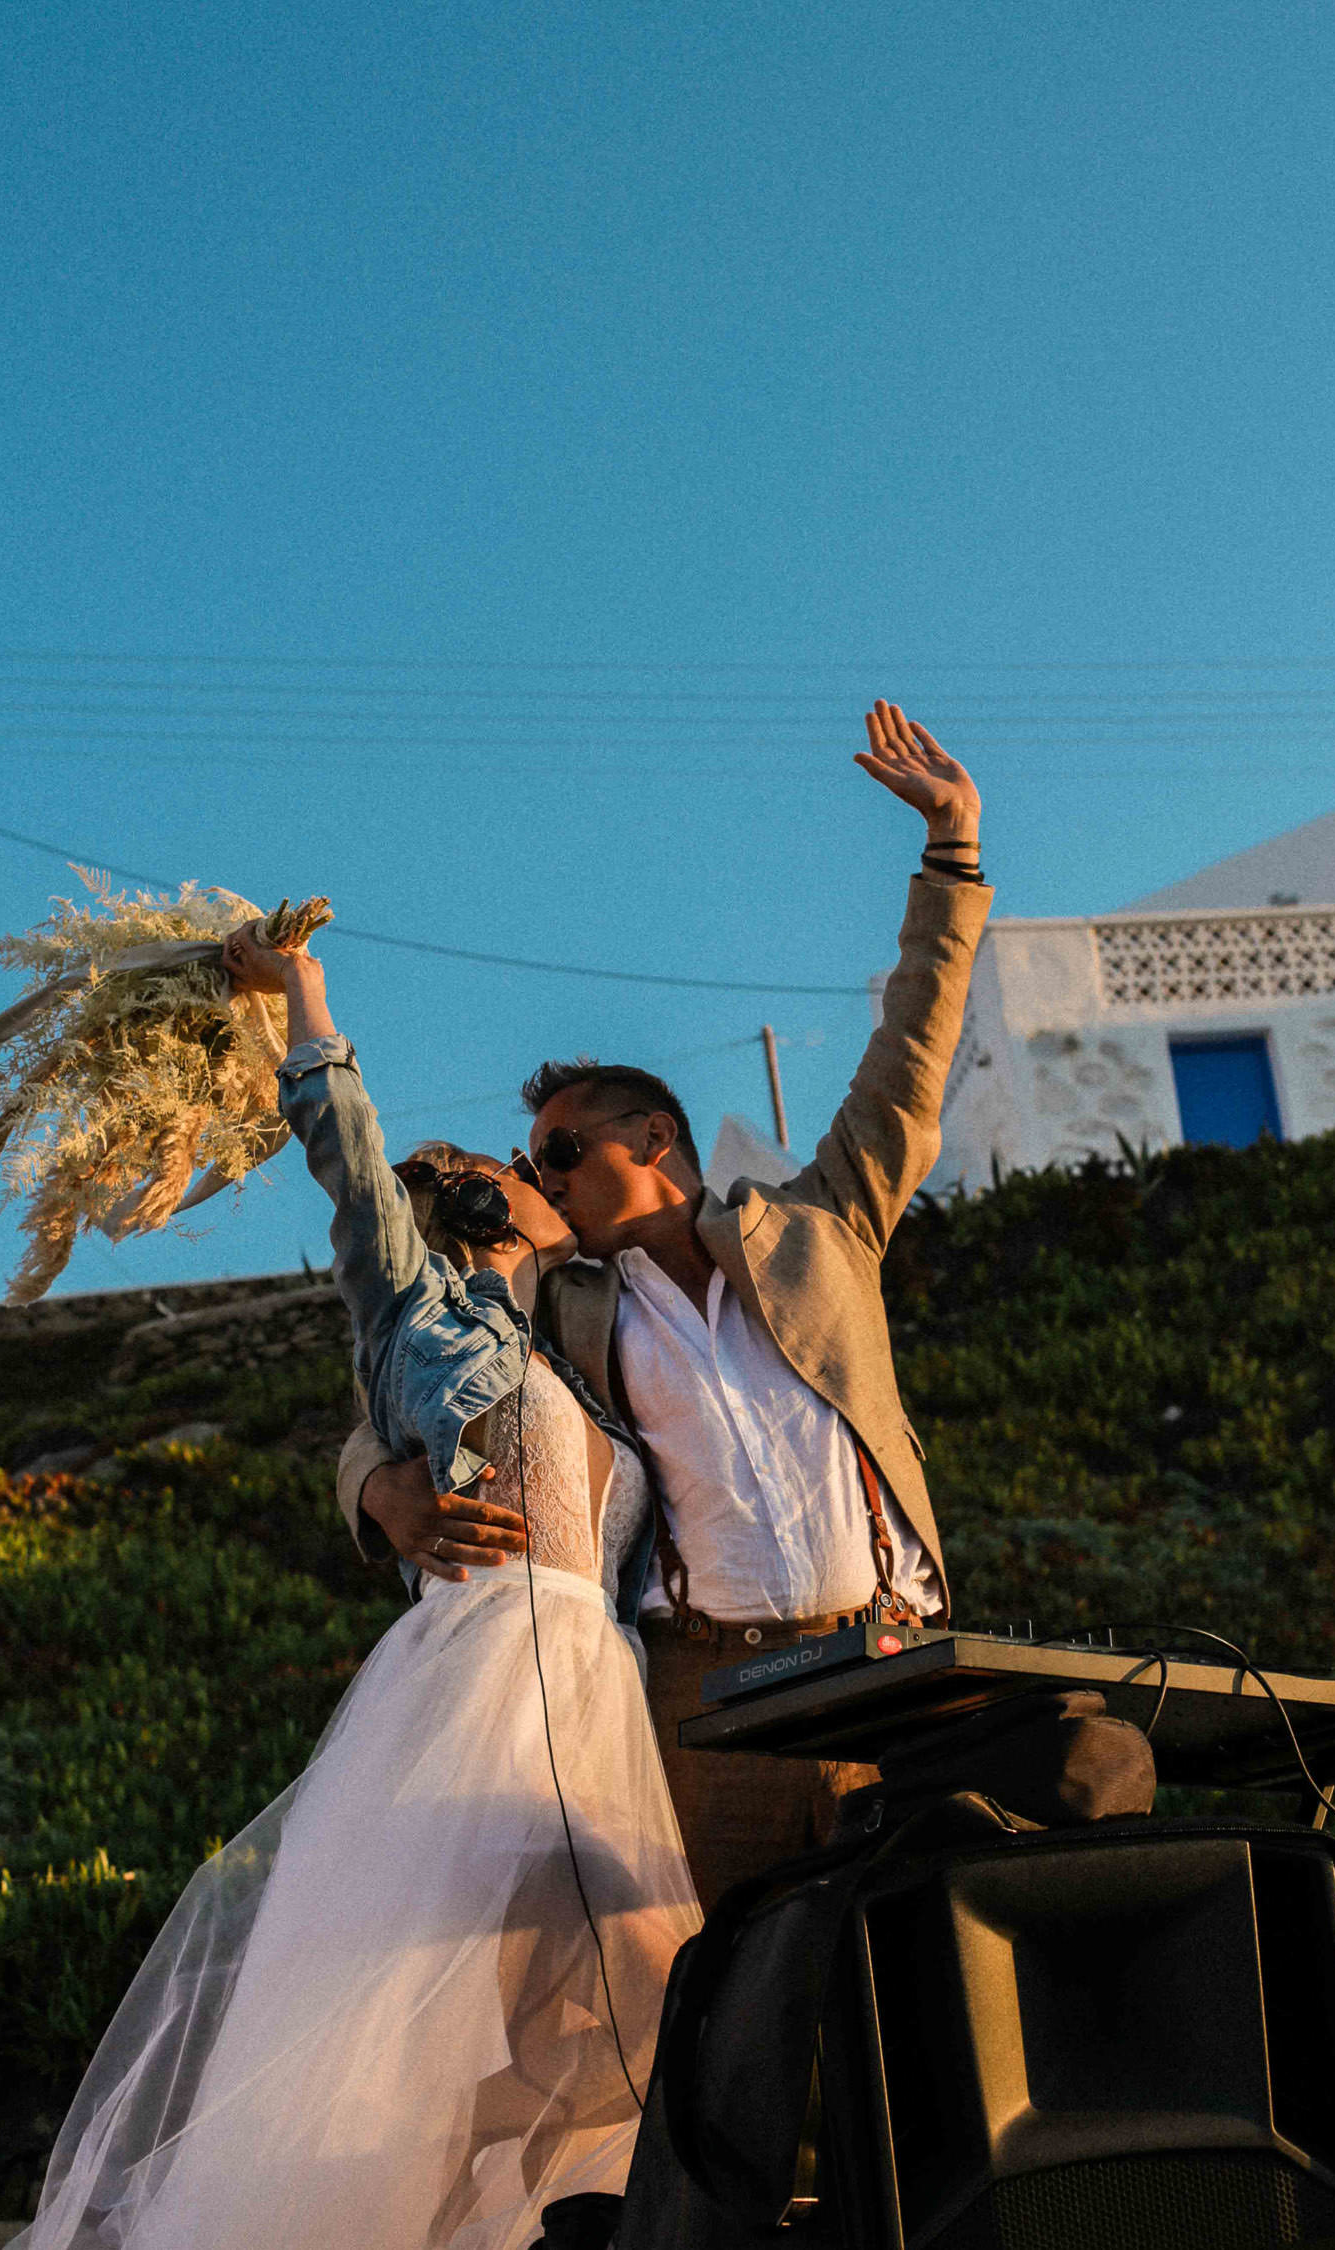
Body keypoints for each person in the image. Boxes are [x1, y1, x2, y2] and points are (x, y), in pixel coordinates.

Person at [8, 936, 699, 2250]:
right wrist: (302, 1003)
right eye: (523, 1171)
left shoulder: (584, 1340)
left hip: (601, 1694)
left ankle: (415, 2190)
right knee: (653, 1987)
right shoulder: (423, 1317)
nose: (547, 1180)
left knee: (575, 2033)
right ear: (485, 1215)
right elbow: (350, 1165)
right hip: (509, 1681)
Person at [343, 701, 993, 1908]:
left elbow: (911, 1051)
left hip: (891, 1665)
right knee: (728, 2010)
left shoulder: (819, 1229)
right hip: (708, 1701)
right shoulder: (558, 1305)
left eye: (559, 1151)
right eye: (530, 1162)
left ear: (653, 1137)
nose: (537, 1179)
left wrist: (951, 849)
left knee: (924, 1998)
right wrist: (382, 1495)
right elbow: (408, 1385)